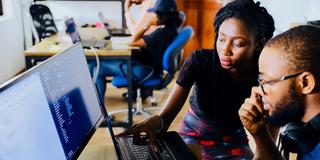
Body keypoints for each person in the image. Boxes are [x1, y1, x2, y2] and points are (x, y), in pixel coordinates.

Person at [118, 0, 275, 159]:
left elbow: (268, 152)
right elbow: (165, 119)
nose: (225, 50)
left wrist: (260, 134)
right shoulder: (200, 62)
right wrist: (152, 124)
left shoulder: (267, 82)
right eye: (221, 39)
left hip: (233, 143)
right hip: (192, 135)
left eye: (238, 43)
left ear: (259, 44)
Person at [238, 25, 320, 160]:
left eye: (265, 81)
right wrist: (260, 133)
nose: (258, 91)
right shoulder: (309, 133)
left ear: (305, 83)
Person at [95, 0, 181, 102]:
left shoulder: (161, 34)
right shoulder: (172, 29)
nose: (153, 15)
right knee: (96, 65)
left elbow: (133, 41)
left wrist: (146, 25)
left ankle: (100, 112)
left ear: (161, 15)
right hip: (149, 67)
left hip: (145, 71)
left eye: (156, 13)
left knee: (98, 68)